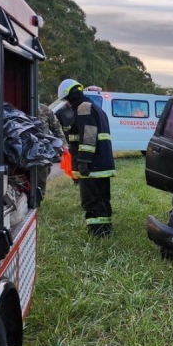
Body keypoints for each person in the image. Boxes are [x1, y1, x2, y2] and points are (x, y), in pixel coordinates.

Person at [58, 79, 116, 237]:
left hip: (92, 166)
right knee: (102, 198)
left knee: (91, 200)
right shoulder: (93, 106)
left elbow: (89, 136)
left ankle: (98, 233)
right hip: (101, 164)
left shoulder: (83, 108)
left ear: (69, 96)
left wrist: (83, 161)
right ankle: (105, 230)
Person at [37, 103, 67, 199]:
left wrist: (63, 143)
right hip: (24, 147)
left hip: (42, 149)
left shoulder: (44, 110)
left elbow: (56, 127)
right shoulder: (21, 108)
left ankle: (40, 196)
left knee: (43, 172)